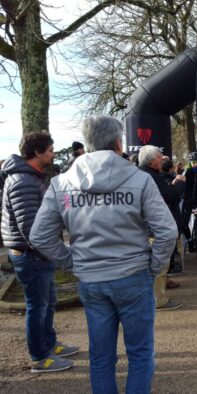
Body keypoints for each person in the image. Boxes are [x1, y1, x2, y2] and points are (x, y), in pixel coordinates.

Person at [30, 115, 177, 393]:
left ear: (88, 144)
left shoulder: (61, 184)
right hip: (134, 276)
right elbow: (167, 231)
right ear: (119, 143)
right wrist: (153, 267)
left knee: (100, 358)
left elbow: (39, 236)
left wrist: (72, 261)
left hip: (92, 280)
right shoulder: (139, 180)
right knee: (140, 354)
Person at [1, 131, 79, 373]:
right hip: (31, 254)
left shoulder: (32, 177)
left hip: (38, 253)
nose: (53, 153)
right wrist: (49, 251)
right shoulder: (23, 181)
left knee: (48, 301)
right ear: (37, 152)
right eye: (50, 149)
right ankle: (39, 357)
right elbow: (30, 228)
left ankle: (49, 343)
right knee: (37, 306)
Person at [138, 146, 184, 310]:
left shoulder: (142, 175)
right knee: (159, 265)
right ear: (151, 161)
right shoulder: (151, 177)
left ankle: (154, 296)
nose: (162, 159)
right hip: (155, 229)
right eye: (159, 157)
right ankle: (159, 300)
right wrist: (179, 183)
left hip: (147, 228)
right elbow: (169, 195)